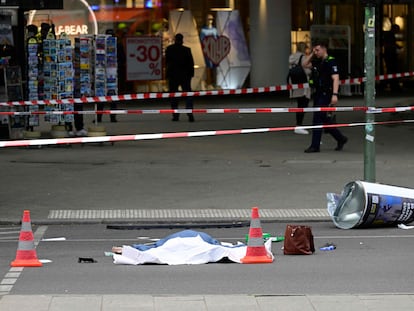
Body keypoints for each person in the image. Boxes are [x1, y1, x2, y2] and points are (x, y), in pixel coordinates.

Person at [303, 40, 348, 153]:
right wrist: (312, 54)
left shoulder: (331, 61)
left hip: (327, 93)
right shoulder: (318, 62)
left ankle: (315, 145)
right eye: (315, 50)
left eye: (317, 50)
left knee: (317, 118)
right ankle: (341, 138)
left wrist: (335, 95)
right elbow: (304, 64)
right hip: (318, 92)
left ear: (324, 49)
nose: (316, 52)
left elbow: (335, 78)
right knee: (324, 119)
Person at [165, 33, 195, 122]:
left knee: (173, 95)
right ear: (182, 40)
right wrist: (191, 74)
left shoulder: (169, 49)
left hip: (173, 75)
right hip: (185, 75)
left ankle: (175, 114)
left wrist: (167, 74)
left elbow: (167, 62)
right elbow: (191, 63)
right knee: (188, 94)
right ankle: (189, 113)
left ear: (175, 39)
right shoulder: (187, 50)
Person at [288, 42, 311, 135]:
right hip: (304, 83)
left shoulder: (291, 57)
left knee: (299, 104)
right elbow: (307, 71)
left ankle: (299, 124)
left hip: (294, 83)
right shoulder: (304, 58)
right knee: (303, 104)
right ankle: (299, 125)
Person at [382, 24, 402, 92]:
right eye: (397, 29)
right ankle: (393, 85)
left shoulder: (389, 35)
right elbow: (390, 44)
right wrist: (396, 47)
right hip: (390, 55)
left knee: (391, 70)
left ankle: (392, 84)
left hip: (389, 54)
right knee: (392, 70)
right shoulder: (390, 35)